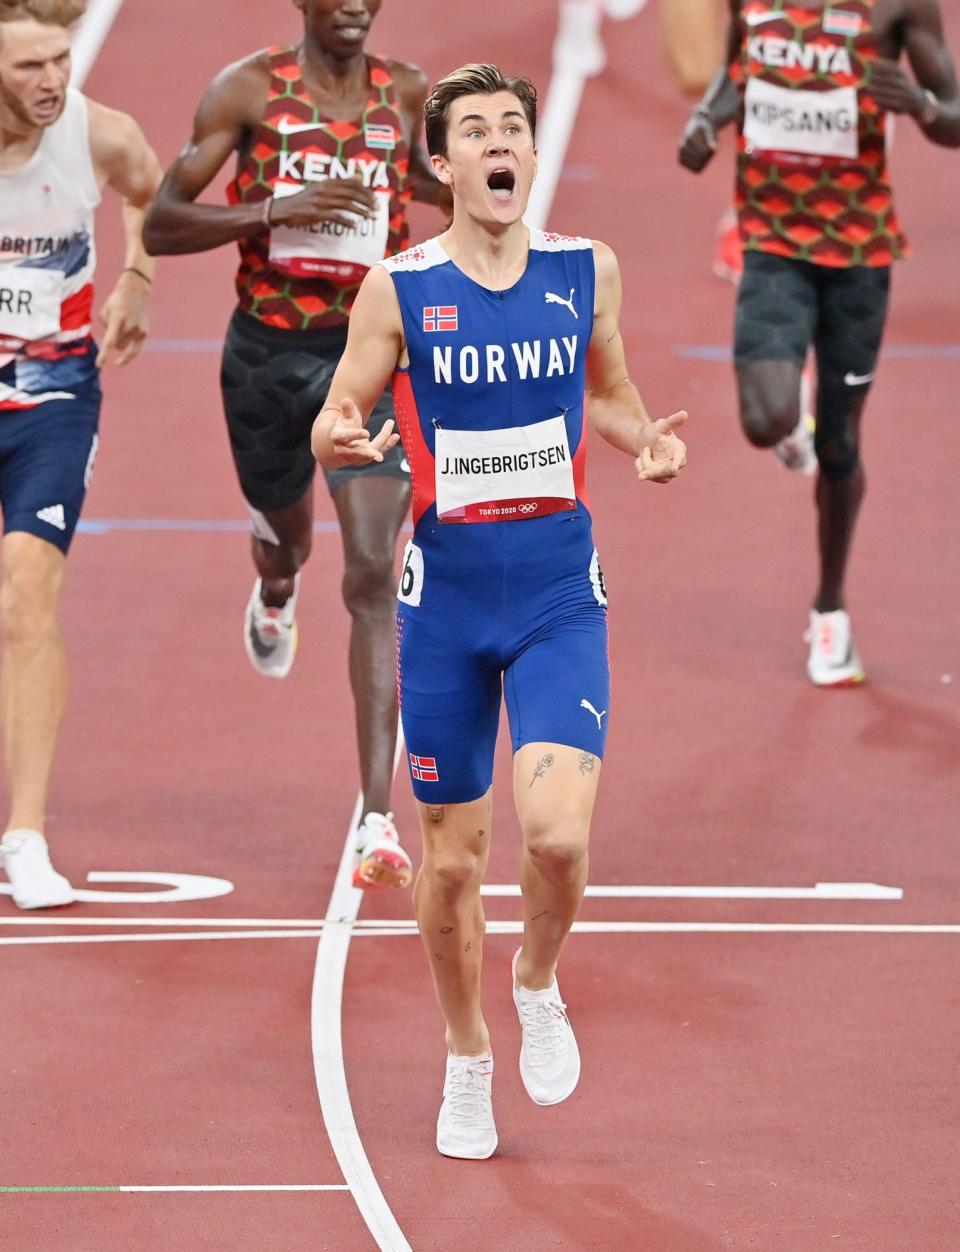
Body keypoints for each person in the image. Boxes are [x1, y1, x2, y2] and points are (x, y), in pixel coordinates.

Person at [312, 63, 687, 1158]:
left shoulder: (585, 270)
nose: (498, 143)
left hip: (559, 592)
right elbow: (342, 406)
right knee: (459, 864)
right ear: (442, 163)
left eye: (512, 126)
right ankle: (466, 1053)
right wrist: (338, 433)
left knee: (561, 840)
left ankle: (535, 978)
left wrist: (643, 441)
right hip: (447, 605)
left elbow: (609, 388)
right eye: (474, 130)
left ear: (529, 152)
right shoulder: (399, 288)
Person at [143, 0, 452, 890]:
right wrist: (277, 208)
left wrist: (479, 188)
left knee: (369, 568)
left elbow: (431, 187)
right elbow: (163, 222)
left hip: (373, 359)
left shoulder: (406, 95)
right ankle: (275, 588)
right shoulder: (247, 91)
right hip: (267, 358)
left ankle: (378, 822)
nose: (355, 4)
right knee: (292, 540)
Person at [679, 0, 959, 685]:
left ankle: (830, 608)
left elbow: (954, 113)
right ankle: (788, 407)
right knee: (766, 418)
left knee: (840, 444)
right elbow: (735, 74)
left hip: (859, 256)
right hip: (772, 243)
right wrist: (705, 119)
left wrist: (920, 104)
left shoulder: (900, 6)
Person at [0, 0, 159, 909]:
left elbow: (150, 187)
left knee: (28, 588)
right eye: (28, 68)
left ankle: (25, 833)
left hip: (53, 401)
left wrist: (137, 274)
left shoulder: (97, 134)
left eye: (59, 60)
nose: (53, 81)